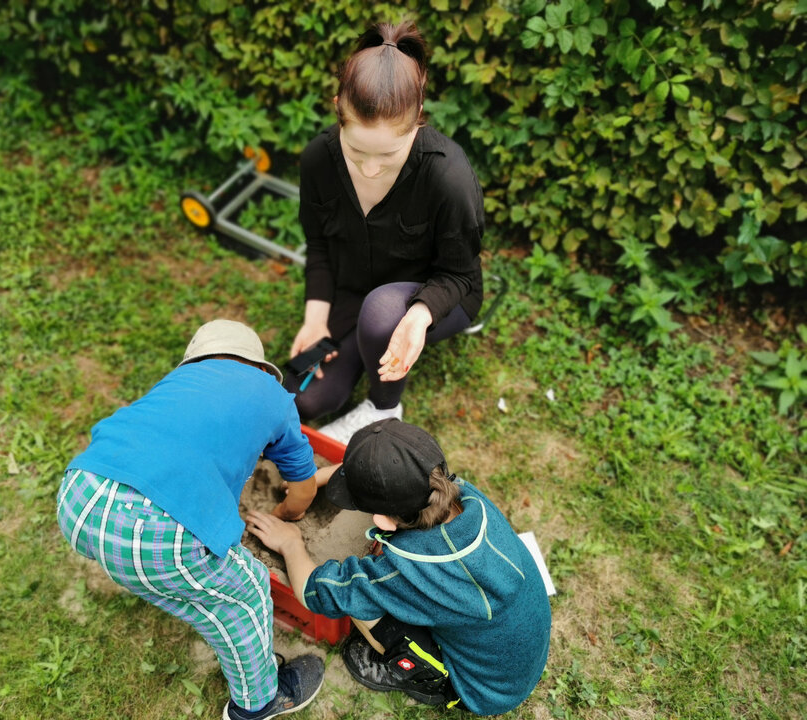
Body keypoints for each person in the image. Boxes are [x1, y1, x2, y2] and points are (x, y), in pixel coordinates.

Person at [56, 319, 328, 720]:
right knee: (245, 593)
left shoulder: (178, 384)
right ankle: (258, 703)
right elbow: (303, 487)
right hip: (153, 525)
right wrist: (286, 513)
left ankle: (187, 599)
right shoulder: (273, 394)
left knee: (178, 581)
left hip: (80, 495)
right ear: (257, 366)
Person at [246, 419, 551, 716]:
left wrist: (290, 544)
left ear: (383, 520)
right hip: (516, 650)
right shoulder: (467, 497)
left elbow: (315, 590)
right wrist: (314, 477)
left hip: (484, 690)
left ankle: (426, 680)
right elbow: (393, 477)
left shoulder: (406, 570)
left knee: (361, 600)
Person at [286, 20, 485, 444]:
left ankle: (384, 408)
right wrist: (316, 316)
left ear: (417, 119)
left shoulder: (448, 174)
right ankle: (364, 334)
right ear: (338, 106)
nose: (371, 168)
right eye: (356, 150)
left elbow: (460, 275)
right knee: (304, 398)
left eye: (389, 154)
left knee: (381, 313)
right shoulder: (318, 159)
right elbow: (319, 243)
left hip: (437, 291)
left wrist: (420, 313)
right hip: (355, 287)